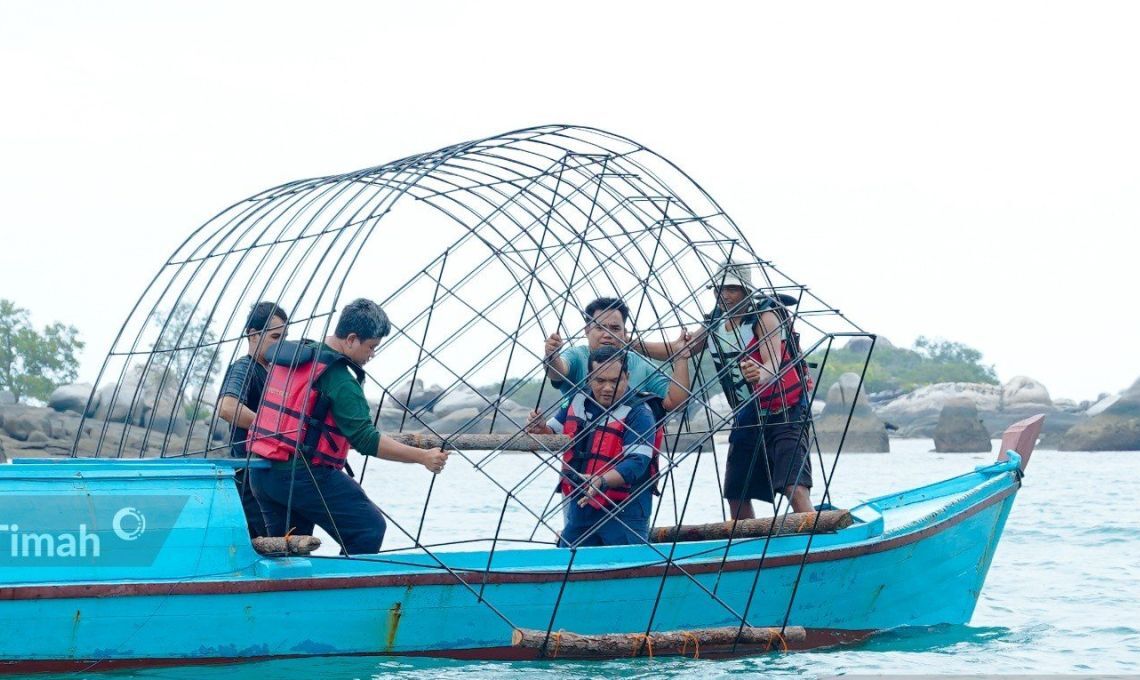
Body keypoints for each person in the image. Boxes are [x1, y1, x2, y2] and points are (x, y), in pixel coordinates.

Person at [248, 298, 449, 554]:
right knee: (368, 527)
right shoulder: (340, 379)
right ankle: (348, 590)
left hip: (262, 472)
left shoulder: (302, 354)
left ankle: (295, 592)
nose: (372, 354)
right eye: (371, 346)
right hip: (299, 475)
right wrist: (423, 457)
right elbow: (365, 439)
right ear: (351, 339)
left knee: (288, 553)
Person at [691, 262, 814, 517]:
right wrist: (632, 344)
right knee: (736, 492)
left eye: (732, 289)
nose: (724, 295)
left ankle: (816, 543)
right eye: (719, 289)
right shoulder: (715, 322)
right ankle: (747, 546)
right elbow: (681, 349)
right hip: (749, 414)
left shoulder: (764, 316)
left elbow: (772, 363)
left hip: (786, 411)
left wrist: (760, 374)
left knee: (794, 487)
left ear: (746, 292)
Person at [528, 346, 660, 547]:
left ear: (627, 377)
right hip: (583, 506)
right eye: (600, 381)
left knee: (624, 567)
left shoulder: (639, 413)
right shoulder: (578, 399)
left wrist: (601, 481)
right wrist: (540, 427)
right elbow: (552, 433)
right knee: (568, 560)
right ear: (589, 378)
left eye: (615, 381)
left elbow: (637, 463)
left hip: (625, 510)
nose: (607, 388)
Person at [217, 301, 289, 538]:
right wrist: (275, 429)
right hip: (248, 479)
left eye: (285, 337)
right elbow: (228, 408)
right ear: (253, 335)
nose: (281, 344)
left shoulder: (272, 373)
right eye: (276, 336)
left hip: (270, 480)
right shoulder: (244, 368)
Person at [543, 297, 691, 412]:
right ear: (587, 330)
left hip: (627, 444)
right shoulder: (576, 355)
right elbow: (556, 372)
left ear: (624, 333)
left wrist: (681, 358)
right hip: (582, 443)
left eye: (615, 328)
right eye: (600, 328)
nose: (607, 334)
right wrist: (551, 355)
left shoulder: (640, 364)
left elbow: (676, 403)